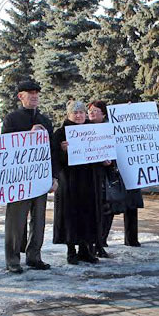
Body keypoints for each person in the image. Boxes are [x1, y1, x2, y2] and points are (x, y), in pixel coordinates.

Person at [1, 81, 58, 274]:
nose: (34, 96)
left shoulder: (45, 120)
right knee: (16, 221)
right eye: (30, 93)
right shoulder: (11, 119)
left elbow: (53, 152)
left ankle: (34, 256)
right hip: (18, 179)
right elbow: (6, 146)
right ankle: (13, 259)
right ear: (20, 96)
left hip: (40, 178)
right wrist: (28, 134)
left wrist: (54, 177)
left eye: (36, 93)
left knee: (39, 219)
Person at [87, 100, 143, 250]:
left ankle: (131, 239)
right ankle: (101, 240)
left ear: (104, 113)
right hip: (103, 175)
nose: (91, 113)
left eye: (95, 110)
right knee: (108, 207)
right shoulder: (85, 128)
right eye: (90, 111)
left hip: (120, 171)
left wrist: (128, 110)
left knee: (129, 204)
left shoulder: (113, 127)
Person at [52, 101, 103, 264]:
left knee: (87, 214)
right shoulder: (60, 133)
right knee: (70, 215)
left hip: (89, 180)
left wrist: (106, 159)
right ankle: (71, 251)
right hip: (69, 182)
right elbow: (54, 158)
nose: (79, 115)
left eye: (81, 112)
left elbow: (101, 151)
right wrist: (63, 150)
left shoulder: (93, 130)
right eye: (75, 113)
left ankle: (85, 250)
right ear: (68, 115)